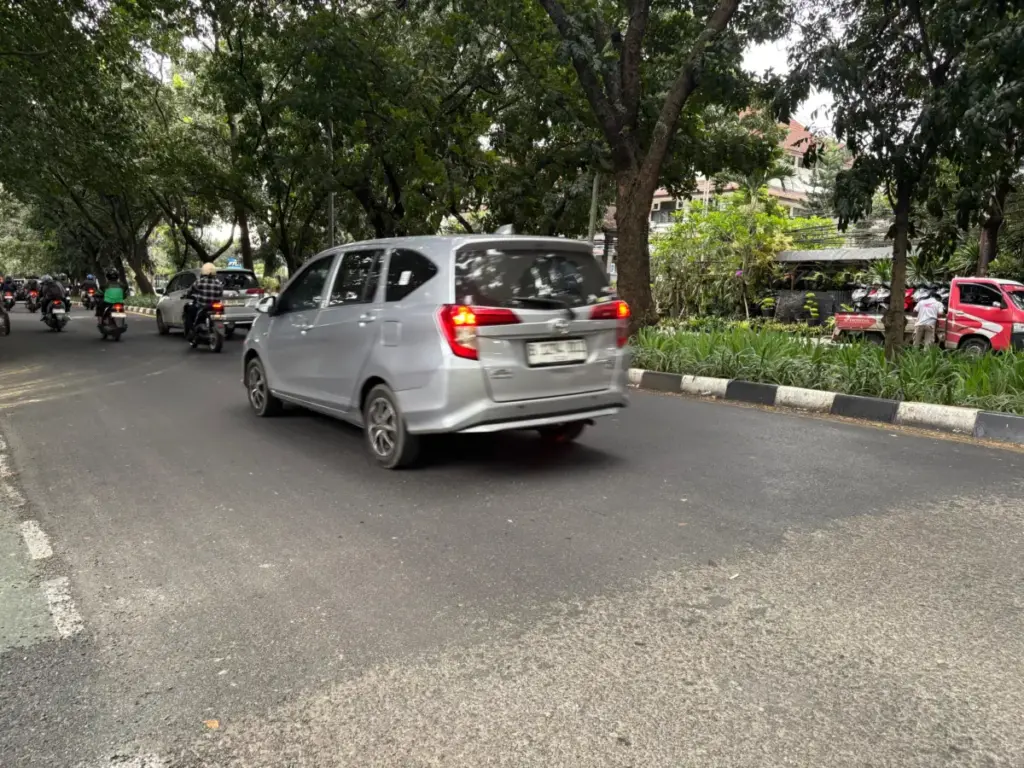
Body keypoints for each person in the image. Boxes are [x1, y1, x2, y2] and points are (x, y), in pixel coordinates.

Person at [183, 263, 224, 338]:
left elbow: (190, 290)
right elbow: (221, 294)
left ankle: (192, 330)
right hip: (215, 306)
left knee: (189, 311)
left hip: (203, 306)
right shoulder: (219, 283)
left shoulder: (200, 281)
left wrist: (187, 294)